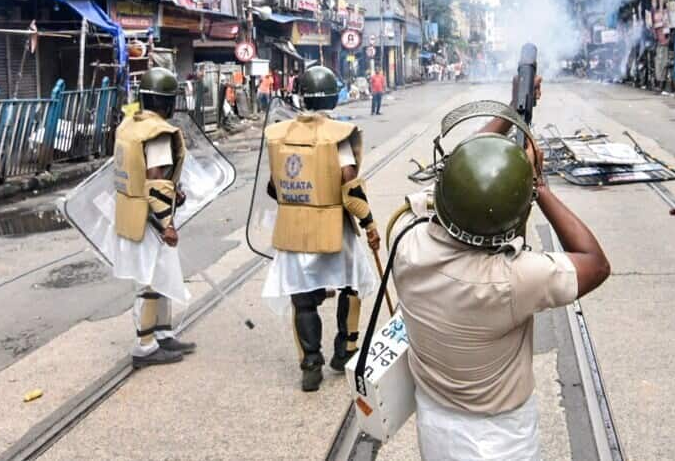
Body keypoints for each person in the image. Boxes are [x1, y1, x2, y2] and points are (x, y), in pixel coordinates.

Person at [393, 81, 612, 460]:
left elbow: (460, 174)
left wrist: (512, 110)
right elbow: (596, 263)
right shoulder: (513, 280)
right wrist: (539, 185)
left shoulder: (406, 240)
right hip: (499, 440)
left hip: (435, 422)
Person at [260, 65, 382, 392]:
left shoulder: (279, 135)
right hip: (333, 228)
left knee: (302, 299)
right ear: (333, 95)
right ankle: (346, 349)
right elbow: (350, 187)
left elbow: (275, 187)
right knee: (353, 283)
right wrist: (369, 223)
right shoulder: (339, 136)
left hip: (292, 229)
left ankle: (310, 365)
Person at [109, 67, 197, 367]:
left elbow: (137, 172)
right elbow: (155, 180)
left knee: (159, 276)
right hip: (148, 218)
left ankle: (162, 333)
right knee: (148, 282)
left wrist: (175, 194)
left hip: (132, 211)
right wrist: (167, 223)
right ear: (169, 102)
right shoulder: (157, 133)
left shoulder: (129, 126)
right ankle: (145, 346)